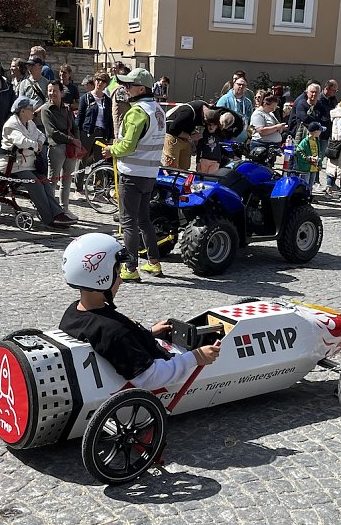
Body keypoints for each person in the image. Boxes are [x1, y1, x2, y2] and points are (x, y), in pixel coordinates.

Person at [59, 233, 220, 387]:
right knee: (211, 340)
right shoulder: (113, 331)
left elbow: (117, 345)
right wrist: (195, 358)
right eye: (117, 274)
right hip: (166, 368)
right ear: (101, 278)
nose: (121, 280)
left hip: (148, 351)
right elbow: (150, 378)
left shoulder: (74, 312)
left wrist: (147, 333)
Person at [100, 68, 165, 282]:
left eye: (129, 85)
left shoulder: (137, 112)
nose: (125, 88)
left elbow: (128, 146)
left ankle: (130, 268)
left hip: (132, 174)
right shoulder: (158, 109)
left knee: (129, 222)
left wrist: (111, 150)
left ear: (141, 89)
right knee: (145, 220)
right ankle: (154, 263)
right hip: (149, 174)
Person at [0, 96, 76, 229]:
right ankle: (49, 219)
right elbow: (22, 142)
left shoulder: (30, 123)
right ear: (22, 111)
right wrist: (36, 145)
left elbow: (41, 135)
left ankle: (58, 214)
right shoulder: (11, 124)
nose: (33, 111)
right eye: (30, 109)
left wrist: (37, 142)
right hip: (14, 164)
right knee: (36, 185)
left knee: (45, 183)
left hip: (28, 163)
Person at [40, 80, 81, 220]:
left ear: (61, 92)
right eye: (50, 90)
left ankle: (64, 209)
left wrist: (77, 141)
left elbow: (74, 127)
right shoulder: (46, 109)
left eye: (55, 90)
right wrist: (72, 140)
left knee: (67, 180)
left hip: (70, 148)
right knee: (53, 181)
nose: (52, 93)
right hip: (56, 147)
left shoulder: (66, 108)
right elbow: (52, 132)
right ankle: (51, 210)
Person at [163, 99, 241, 168]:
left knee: (184, 167)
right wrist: (190, 137)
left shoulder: (209, 110)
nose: (210, 128)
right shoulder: (188, 112)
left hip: (185, 137)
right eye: (209, 125)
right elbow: (172, 129)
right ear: (204, 120)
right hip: (173, 137)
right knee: (172, 167)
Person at [76, 72, 113, 190]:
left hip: (101, 133)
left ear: (106, 84)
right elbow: (80, 117)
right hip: (87, 132)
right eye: (98, 80)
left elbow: (110, 119)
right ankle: (78, 188)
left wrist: (111, 136)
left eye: (103, 81)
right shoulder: (85, 98)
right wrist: (77, 135)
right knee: (82, 160)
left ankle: (98, 188)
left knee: (99, 161)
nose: (99, 83)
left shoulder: (108, 101)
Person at [216, 75, 253, 144]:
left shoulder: (248, 102)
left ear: (246, 88)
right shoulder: (224, 99)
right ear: (234, 85)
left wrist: (249, 137)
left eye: (243, 85)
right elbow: (217, 117)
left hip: (243, 141)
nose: (241, 86)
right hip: (226, 139)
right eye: (239, 84)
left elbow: (250, 121)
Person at [17, 56, 50, 124]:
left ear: (40, 67)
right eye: (28, 65)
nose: (30, 68)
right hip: (27, 121)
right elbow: (21, 102)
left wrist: (35, 113)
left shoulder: (47, 83)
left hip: (41, 121)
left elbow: (48, 102)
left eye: (32, 65)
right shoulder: (23, 83)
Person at [294, 121, 323, 187]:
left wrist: (320, 164)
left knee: (311, 185)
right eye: (320, 131)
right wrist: (308, 159)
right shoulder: (305, 141)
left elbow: (319, 153)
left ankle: (309, 193)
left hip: (314, 168)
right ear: (316, 132)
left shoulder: (316, 141)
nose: (321, 132)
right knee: (304, 185)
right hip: (306, 168)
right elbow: (298, 151)